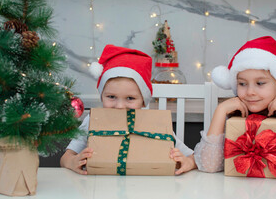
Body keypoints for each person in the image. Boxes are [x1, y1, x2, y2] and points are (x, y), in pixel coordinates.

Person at [60, 44, 197, 175]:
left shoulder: (155, 125)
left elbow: (193, 158)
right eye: (111, 97)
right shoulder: (92, 120)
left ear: (143, 101)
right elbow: (65, 158)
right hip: (99, 189)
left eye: (130, 98)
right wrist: (73, 161)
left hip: (146, 191)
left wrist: (187, 162)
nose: (120, 106)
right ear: (101, 96)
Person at [194, 36, 276, 175]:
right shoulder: (232, 114)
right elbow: (209, 166)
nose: (250, 92)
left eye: (260, 83)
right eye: (242, 84)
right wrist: (220, 111)